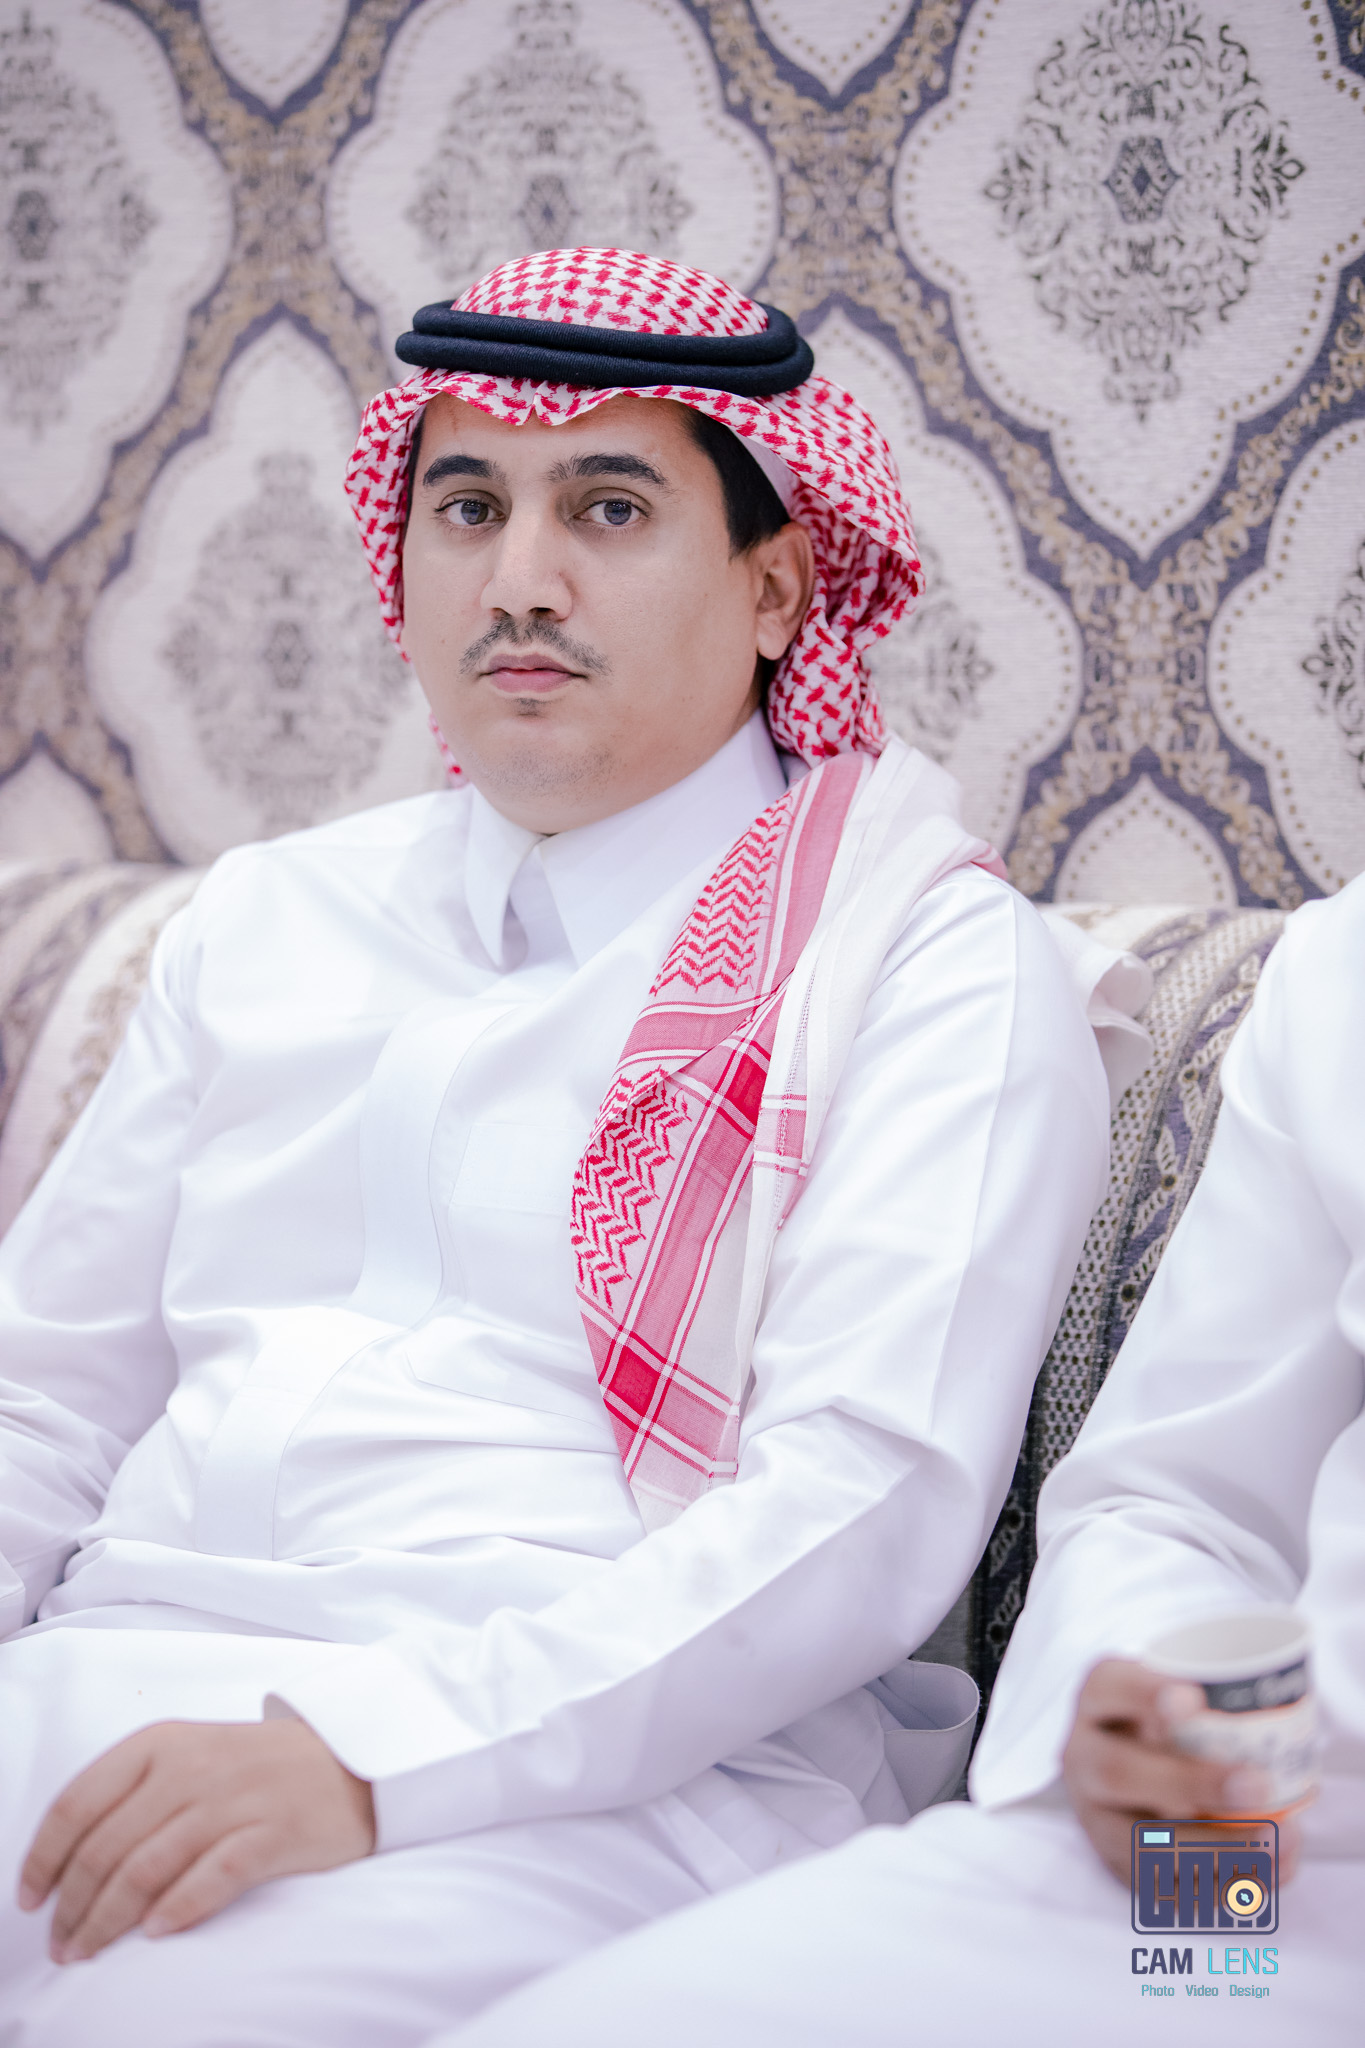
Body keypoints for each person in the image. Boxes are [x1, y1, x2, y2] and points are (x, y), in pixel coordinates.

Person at [0, 249, 1125, 2047]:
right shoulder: (267, 917)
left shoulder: (917, 962)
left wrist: (367, 1759)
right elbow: (45, 1407)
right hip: (100, 1673)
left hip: (589, 1776)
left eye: (608, 507)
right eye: (469, 507)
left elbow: (857, 1514)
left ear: (777, 587)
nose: (519, 580)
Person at [445, 871, 1365, 2048]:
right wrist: (1155, 1731)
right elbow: (1182, 1501)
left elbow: (850, 1498)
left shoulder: (937, 954)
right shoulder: (1344, 974)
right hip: (1254, 1864)